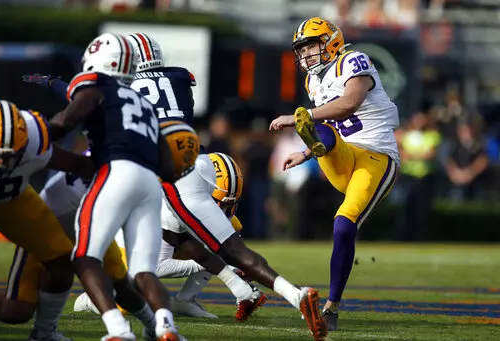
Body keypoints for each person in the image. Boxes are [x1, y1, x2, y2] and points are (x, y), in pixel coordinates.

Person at [128, 33, 326, 340]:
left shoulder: (122, 89)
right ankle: (296, 295)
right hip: (197, 160)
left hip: (166, 175)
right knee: (234, 248)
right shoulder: (180, 77)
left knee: (133, 264)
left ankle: (137, 322)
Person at [46, 33, 184, 341]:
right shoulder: (144, 105)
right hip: (150, 184)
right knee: (143, 272)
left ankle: (119, 330)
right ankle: (165, 326)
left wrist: (34, 132)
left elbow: (64, 122)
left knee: (84, 256)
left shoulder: (96, 87)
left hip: (115, 172)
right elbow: (169, 170)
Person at [270, 17, 400, 332]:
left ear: (331, 42)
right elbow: (327, 127)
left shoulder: (353, 60)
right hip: (342, 157)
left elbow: (350, 104)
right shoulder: (312, 82)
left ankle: (332, 306)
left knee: (342, 227)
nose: (306, 55)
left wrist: (299, 117)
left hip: (376, 157)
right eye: (301, 50)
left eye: (311, 46)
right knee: (318, 128)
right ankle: (311, 144)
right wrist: (304, 153)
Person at [74, 152, 250, 319]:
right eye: (217, 203)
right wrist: (210, 265)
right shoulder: (167, 207)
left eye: (229, 205)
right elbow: (156, 267)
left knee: (228, 233)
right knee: (127, 305)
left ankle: (185, 300)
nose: (222, 211)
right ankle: (90, 298)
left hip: (169, 246)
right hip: (127, 249)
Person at [0, 100, 93, 341]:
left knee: (22, 307)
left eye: (11, 155)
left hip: (11, 202)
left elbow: (77, 163)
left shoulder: (35, 138)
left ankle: (45, 333)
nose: (2, 163)